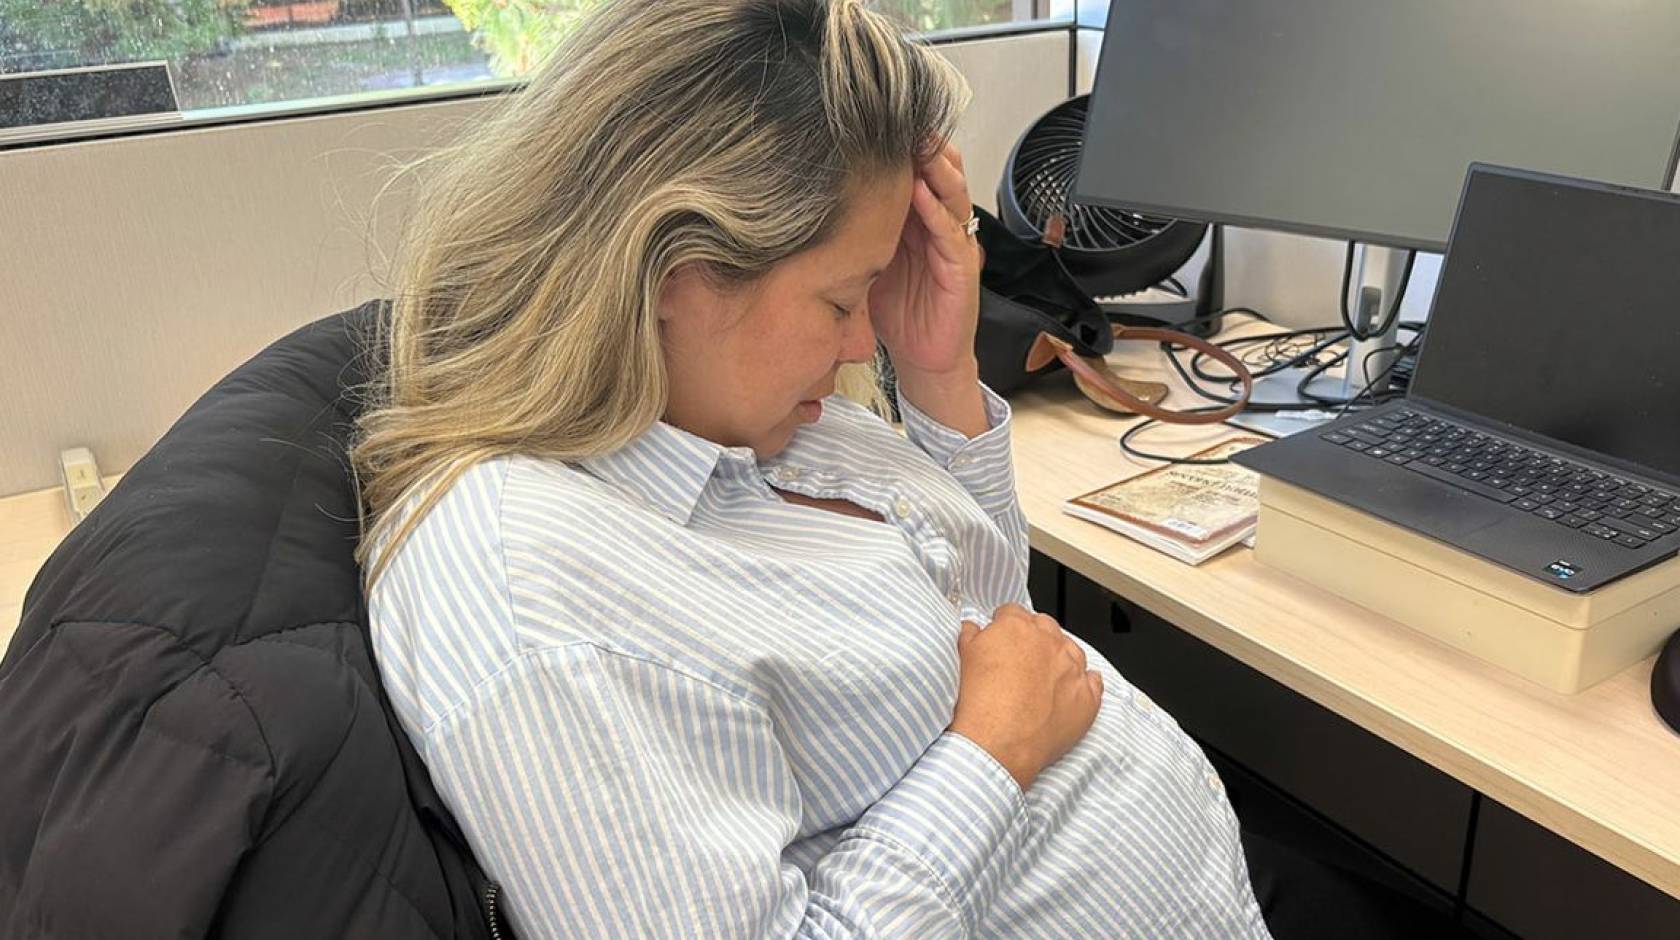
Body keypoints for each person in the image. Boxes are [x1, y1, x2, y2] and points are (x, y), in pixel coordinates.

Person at [353, 1, 1273, 936]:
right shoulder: (536, 600)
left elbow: (998, 621)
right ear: (675, 270)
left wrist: (938, 373)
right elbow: (1000, 698)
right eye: (841, 301)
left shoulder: (741, 417)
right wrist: (991, 754)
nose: (860, 343)